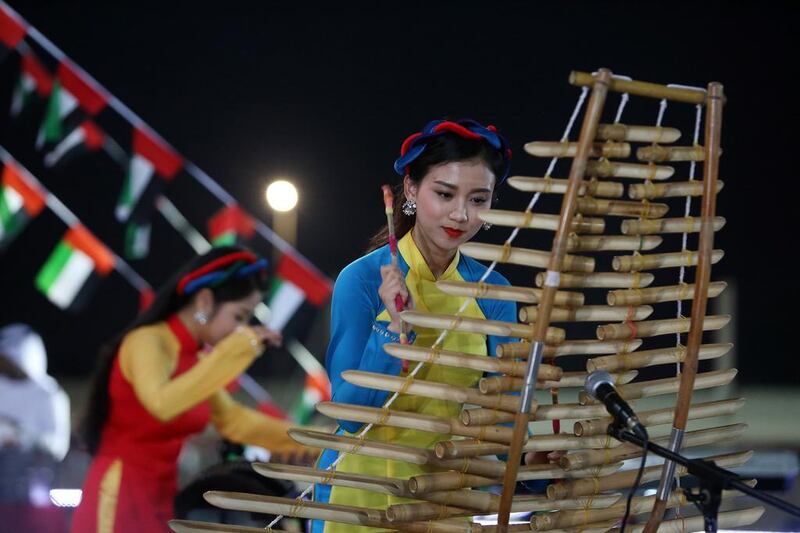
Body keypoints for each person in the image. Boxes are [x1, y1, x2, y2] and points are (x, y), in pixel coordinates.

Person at [313, 119, 546, 533]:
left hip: (442, 496)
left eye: (478, 199)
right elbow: (350, 414)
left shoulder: (494, 292)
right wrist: (394, 328)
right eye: (444, 193)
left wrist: (534, 463)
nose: (461, 213)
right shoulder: (363, 279)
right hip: (356, 497)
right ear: (411, 191)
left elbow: (504, 416)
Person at [71, 246, 314, 533]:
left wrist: (315, 443)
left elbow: (235, 421)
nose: (240, 329)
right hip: (118, 497)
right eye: (239, 316)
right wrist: (239, 348)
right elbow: (161, 403)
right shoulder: (148, 342)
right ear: (204, 301)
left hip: (163, 497)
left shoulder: (196, 361)